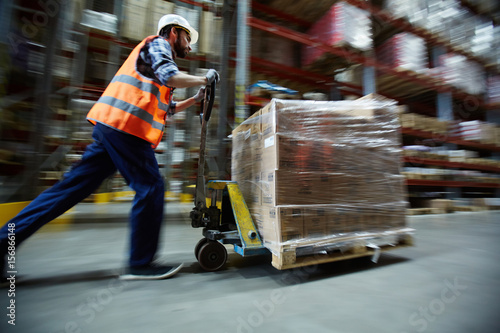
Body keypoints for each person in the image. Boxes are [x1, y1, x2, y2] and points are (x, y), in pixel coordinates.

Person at [0, 14, 219, 283]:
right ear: (174, 32)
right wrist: (203, 80)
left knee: (66, 192)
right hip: (126, 129)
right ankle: (140, 263)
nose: (189, 45)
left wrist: (195, 98)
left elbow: (168, 108)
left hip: (112, 128)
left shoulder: (153, 58)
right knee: (150, 188)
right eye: (187, 37)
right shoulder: (159, 45)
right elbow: (170, 76)